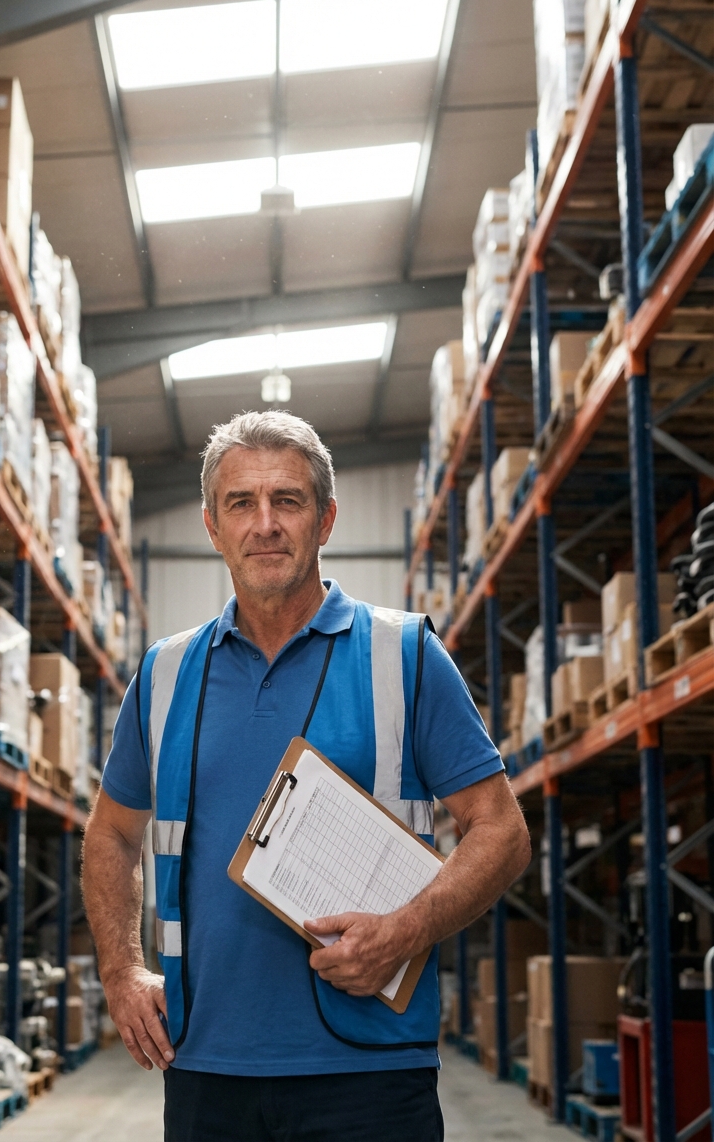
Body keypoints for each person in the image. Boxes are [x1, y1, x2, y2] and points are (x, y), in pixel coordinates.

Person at [83, 411, 531, 1142]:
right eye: (242, 503)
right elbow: (110, 833)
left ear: (324, 520)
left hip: (372, 1072)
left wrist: (404, 930)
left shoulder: (404, 657)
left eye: (286, 501)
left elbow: (503, 832)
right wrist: (122, 973)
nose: (265, 524)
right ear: (211, 527)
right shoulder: (166, 674)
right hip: (205, 1067)